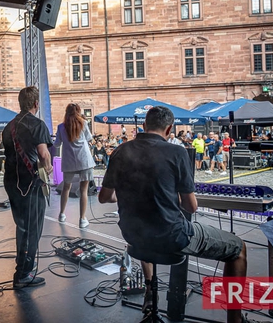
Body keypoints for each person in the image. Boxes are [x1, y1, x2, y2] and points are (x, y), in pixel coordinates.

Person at [98, 106, 247, 323]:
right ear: (169, 129)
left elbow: (105, 197)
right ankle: (236, 320)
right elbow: (191, 207)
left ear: (143, 126)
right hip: (171, 236)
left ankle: (150, 290)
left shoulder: (121, 151)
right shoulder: (176, 152)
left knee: (147, 226)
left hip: (133, 235)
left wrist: (131, 195)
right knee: (238, 248)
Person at [2, 86, 53, 289]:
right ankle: (24, 273)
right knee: (33, 229)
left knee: (22, 225)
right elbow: (43, 154)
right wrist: (48, 167)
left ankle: (21, 269)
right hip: (30, 184)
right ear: (36, 104)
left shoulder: (9, 126)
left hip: (12, 182)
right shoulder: (37, 125)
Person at [53, 103, 96, 228]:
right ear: (78, 111)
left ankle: (61, 214)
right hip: (84, 160)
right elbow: (89, 138)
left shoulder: (61, 127)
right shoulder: (83, 123)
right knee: (83, 190)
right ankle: (82, 219)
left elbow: (56, 144)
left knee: (66, 188)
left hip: (69, 161)